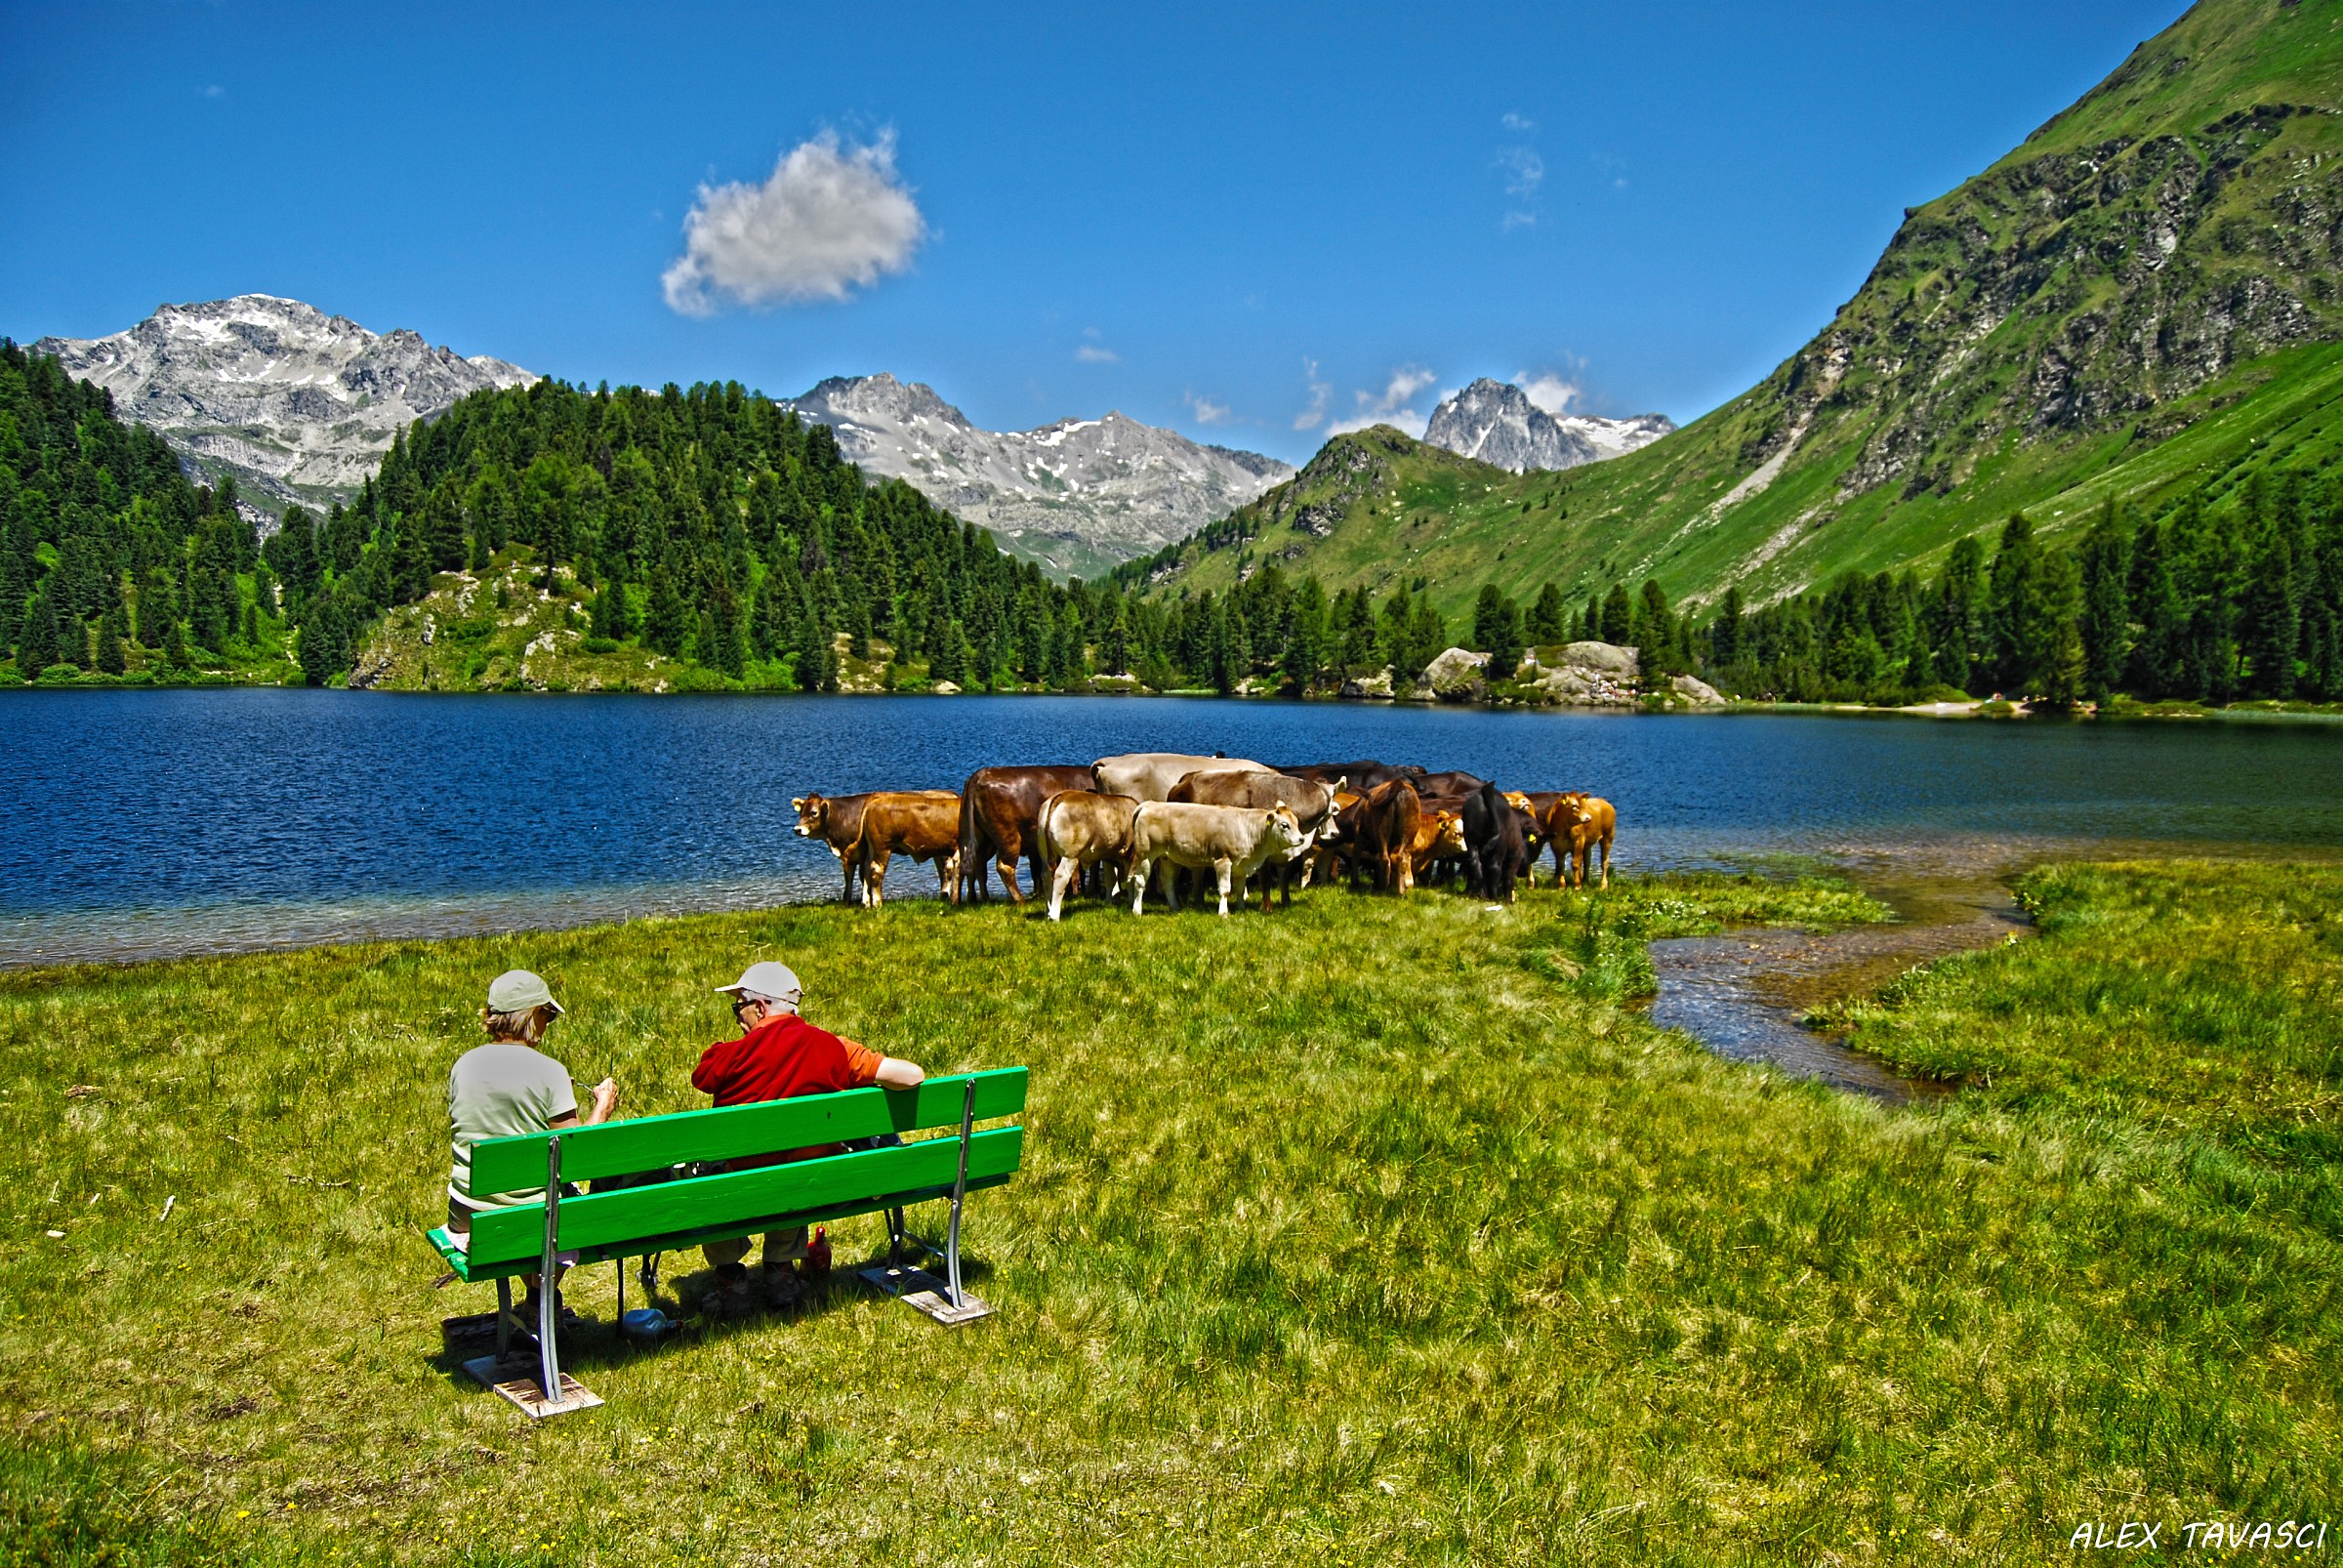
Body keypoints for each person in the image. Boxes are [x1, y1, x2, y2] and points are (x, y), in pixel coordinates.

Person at [694, 960, 925, 1289]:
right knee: (797, 1162)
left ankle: (730, 1278)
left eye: (739, 1006)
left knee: (715, 1172)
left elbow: (703, 1076)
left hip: (742, 1189)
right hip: (811, 1185)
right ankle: (781, 1274)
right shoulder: (833, 1047)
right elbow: (913, 1075)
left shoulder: (731, 1056)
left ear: (760, 1008)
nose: (737, 1016)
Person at [445, 970, 619, 1311]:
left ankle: (534, 1305)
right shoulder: (549, 1071)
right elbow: (577, 1156)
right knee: (559, 1204)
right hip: (530, 1219)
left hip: (467, 1214)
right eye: (547, 1014)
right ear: (531, 1014)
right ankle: (541, 1300)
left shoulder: (463, 1065)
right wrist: (602, 1107)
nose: (548, 1024)